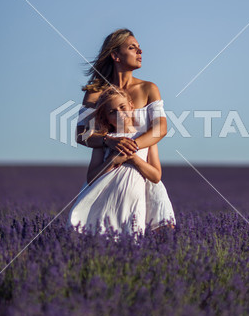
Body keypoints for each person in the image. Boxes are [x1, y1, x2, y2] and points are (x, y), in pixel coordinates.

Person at [75, 28, 175, 233]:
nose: (140, 52)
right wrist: (108, 141)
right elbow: (81, 134)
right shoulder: (94, 94)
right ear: (115, 55)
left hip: (144, 176)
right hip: (108, 176)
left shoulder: (149, 89)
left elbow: (161, 128)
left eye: (139, 48)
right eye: (132, 47)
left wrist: (131, 148)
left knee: (157, 242)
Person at [67, 86, 176, 238]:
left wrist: (133, 158)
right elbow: (91, 177)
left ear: (131, 106)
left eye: (123, 107)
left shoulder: (146, 139)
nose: (119, 113)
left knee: (132, 241)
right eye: (112, 111)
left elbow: (156, 176)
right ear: (106, 117)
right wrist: (112, 160)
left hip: (133, 202)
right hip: (105, 201)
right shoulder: (104, 141)